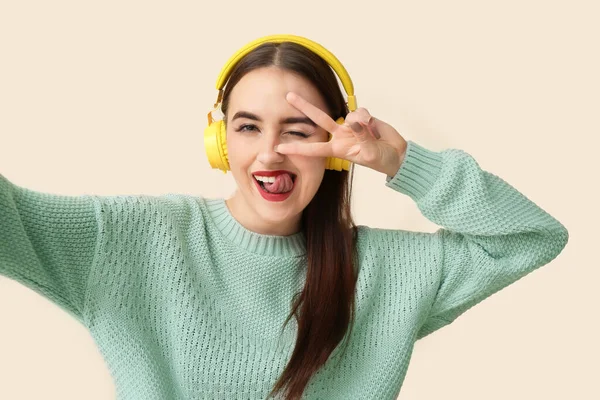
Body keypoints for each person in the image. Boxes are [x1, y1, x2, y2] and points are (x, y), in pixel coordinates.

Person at [0, 34, 569, 400]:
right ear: (220, 143)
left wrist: (402, 164)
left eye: (298, 132)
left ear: (337, 149)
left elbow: (531, 238)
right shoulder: (136, 239)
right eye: (248, 127)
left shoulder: (388, 271)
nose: (270, 152)